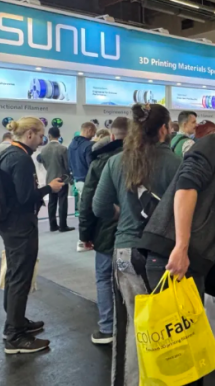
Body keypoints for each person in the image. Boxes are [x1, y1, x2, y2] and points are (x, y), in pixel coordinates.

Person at [140, 121, 215, 382]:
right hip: (174, 257)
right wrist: (181, 247)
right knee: (177, 355)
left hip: (185, 260)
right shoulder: (214, 144)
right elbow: (186, 187)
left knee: (185, 352)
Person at [93, 104, 180, 386]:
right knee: (165, 327)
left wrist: (120, 214)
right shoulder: (176, 164)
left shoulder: (116, 162)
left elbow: (99, 206)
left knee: (130, 325)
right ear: (164, 129)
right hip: (163, 253)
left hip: (126, 251)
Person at [0, 117, 65, 354]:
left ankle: (15, 323)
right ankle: (15, 336)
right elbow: (25, 197)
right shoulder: (21, 159)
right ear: (29, 135)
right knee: (20, 277)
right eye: (40, 136)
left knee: (15, 274)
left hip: (10, 224)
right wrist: (49, 188)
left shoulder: (6, 154)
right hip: (20, 226)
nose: (41, 140)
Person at [78, 116, 129, 346]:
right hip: (137, 232)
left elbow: (88, 202)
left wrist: (85, 235)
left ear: (112, 135)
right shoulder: (144, 159)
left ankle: (107, 327)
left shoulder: (100, 162)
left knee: (104, 278)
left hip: (106, 230)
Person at [39, 126, 74, 233]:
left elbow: (45, 165)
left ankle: (53, 225)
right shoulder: (63, 149)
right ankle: (63, 226)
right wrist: (69, 177)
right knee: (62, 202)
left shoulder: (43, 150)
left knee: (52, 202)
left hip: (50, 178)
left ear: (49, 136)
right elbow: (67, 165)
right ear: (59, 135)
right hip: (62, 178)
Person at [68, 121, 96, 197]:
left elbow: (69, 163)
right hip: (88, 181)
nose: (93, 136)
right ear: (89, 130)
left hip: (77, 181)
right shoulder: (89, 145)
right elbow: (91, 165)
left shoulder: (71, 145)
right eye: (94, 132)